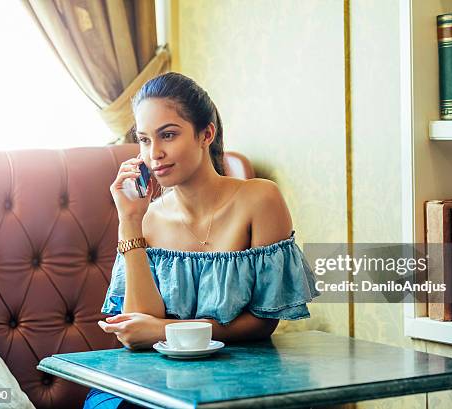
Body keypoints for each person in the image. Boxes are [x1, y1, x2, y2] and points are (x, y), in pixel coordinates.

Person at [83, 72, 320, 409]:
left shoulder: (260, 199)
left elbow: (261, 323)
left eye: (168, 135)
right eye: (145, 140)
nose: (155, 154)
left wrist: (164, 330)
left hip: (237, 376)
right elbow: (137, 330)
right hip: (155, 382)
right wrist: (129, 222)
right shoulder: (147, 217)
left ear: (206, 133)